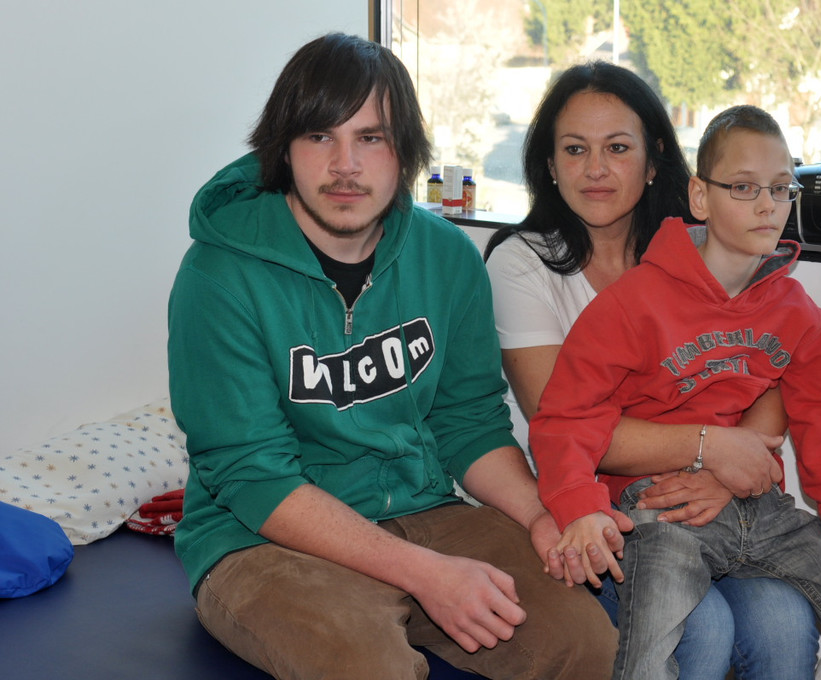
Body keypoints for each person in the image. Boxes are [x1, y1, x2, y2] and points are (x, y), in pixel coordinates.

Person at [166, 33, 620, 680]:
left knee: (588, 644)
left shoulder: (447, 257)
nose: (345, 165)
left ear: (405, 150)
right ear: (282, 149)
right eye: (319, 136)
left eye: (371, 138)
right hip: (262, 539)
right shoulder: (218, 277)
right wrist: (429, 576)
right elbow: (253, 476)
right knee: (370, 668)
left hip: (424, 507)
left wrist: (539, 516)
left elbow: (468, 424)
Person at [529, 104, 821, 680]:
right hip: (661, 510)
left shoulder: (799, 315)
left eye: (781, 188)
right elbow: (566, 418)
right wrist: (580, 509)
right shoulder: (632, 304)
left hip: (761, 510)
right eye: (744, 188)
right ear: (700, 197)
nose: (767, 205)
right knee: (653, 657)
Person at [486, 62, 820, 678]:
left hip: (711, 504)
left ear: (653, 160)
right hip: (594, 512)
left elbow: (774, 370)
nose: (596, 169)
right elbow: (568, 423)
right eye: (575, 149)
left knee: (785, 622)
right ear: (550, 164)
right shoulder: (520, 264)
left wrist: (729, 473)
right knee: (703, 626)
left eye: (617, 148)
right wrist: (711, 446)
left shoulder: (695, 250)